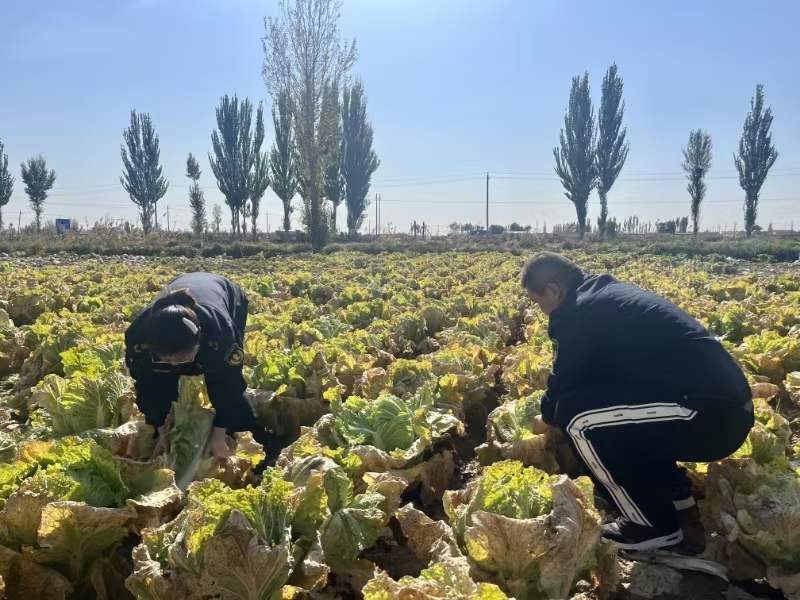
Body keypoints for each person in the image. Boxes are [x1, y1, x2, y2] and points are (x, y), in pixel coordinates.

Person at [521, 252, 753, 551]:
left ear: (552, 290)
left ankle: (649, 524)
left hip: (709, 417)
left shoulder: (576, 312)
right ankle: (672, 492)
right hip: (721, 410)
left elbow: (565, 380)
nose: (541, 310)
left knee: (576, 417)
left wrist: (548, 417)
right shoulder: (603, 296)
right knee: (613, 409)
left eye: (538, 301)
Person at [125, 272, 276, 460]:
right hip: (181, 292)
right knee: (159, 383)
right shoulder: (138, 339)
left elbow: (228, 385)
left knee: (223, 387)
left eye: (185, 358)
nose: (176, 365)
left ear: (200, 341)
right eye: (168, 361)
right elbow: (146, 384)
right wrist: (162, 429)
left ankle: (260, 441)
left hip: (226, 294)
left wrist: (219, 434)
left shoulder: (219, 336)